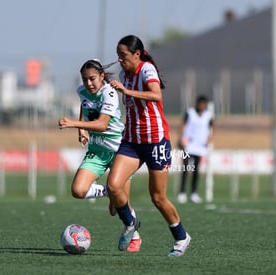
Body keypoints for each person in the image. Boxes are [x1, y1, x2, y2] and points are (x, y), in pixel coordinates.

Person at [107, 35, 191, 257]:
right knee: (113, 186)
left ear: (136, 54)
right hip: (132, 141)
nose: (120, 59)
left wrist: (127, 91)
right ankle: (131, 224)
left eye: (123, 55)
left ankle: (182, 237)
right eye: (118, 55)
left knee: (158, 198)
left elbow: (156, 95)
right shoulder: (124, 74)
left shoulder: (146, 70)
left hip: (155, 141)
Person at [58, 59, 142, 252]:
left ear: (102, 76)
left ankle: (135, 237)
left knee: (123, 204)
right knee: (78, 191)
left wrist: (73, 124)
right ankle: (109, 191)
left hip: (121, 151)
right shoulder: (82, 91)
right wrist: (82, 130)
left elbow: (103, 124)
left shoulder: (110, 93)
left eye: (92, 79)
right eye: (85, 79)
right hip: (97, 151)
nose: (89, 83)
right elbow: (85, 106)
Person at [178, 95, 214, 204]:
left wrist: (209, 139)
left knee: (196, 171)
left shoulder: (208, 116)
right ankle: (182, 193)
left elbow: (212, 127)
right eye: (200, 103)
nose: (202, 106)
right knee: (185, 169)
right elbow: (183, 126)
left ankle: (194, 193)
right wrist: (181, 139)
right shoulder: (190, 113)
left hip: (200, 147)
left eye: (204, 104)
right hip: (188, 145)